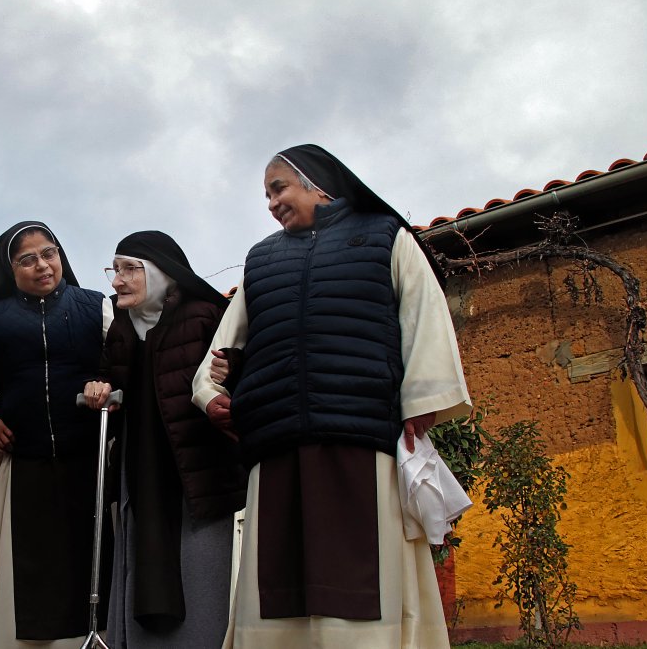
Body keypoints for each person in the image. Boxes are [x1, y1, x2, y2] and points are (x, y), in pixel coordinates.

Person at [192, 144, 471, 648]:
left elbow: (424, 316)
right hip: (276, 443)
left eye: (279, 188)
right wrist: (211, 394)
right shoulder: (262, 261)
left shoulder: (385, 238)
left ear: (317, 183)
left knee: (360, 579)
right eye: (267, 195)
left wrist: (421, 401)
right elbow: (224, 347)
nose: (271, 203)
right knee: (275, 578)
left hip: (359, 436)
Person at [0, 221, 115, 649]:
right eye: (27, 260)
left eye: (49, 253)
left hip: (89, 467)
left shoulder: (96, 309)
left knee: (93, 567)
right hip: (23, 470)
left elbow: (127, 367)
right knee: (27, 576)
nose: (42, 265)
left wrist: (108, 388)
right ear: (11, 270)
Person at [83, 231, 247, 649]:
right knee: (144, 559)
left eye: (128, 269)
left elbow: (238, 368)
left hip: (197, 469)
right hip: (140, 466)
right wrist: (98, 389)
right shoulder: (121, 326)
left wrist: (235, 373)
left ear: (160, 274)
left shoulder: (205, 314)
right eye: (114, 270)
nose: (117, 280)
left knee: (201, 566)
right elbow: (109, 376)